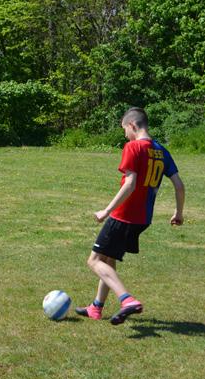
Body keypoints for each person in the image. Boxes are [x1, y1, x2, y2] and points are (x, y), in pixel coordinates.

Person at [76, 107, 185, 325]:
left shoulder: (133, 147)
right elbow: (179, 185)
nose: (125, 134)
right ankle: (96, 307)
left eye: (125, 129)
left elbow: (130, 183)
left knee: (94, 260)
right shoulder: (161, 150)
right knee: (109, 258)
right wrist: (178, 213)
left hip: (123, 216)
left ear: (132, 126)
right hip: (143, 219)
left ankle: (127, 300)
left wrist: (106, 211)